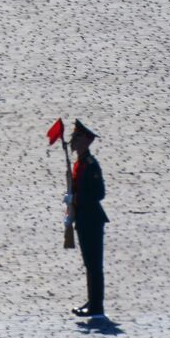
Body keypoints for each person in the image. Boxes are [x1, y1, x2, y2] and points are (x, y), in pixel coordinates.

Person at [69, 120, 107, 317]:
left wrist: (75, 198)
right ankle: (92, 301)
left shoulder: (91, 165)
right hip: (83, 219)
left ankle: (97, 306)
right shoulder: (80, 163)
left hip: (92, 219)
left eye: (76, 137)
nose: (72, 141)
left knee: (94, 264)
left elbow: (99, 193)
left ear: (85, 140)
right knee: (89, 263)